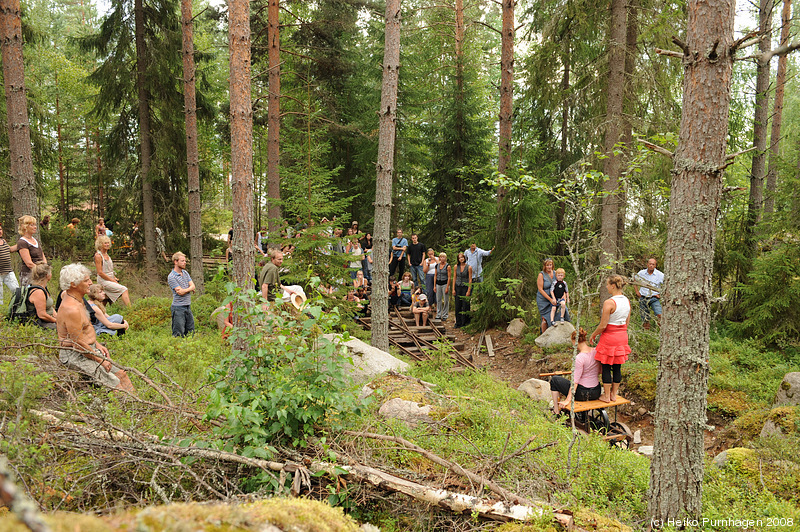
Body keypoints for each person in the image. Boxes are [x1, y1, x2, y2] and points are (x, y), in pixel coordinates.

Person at [56, 263, 135, 392]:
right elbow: (79, 344)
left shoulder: (78, 300)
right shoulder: (71, 309)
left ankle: (136, 404)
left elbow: (85, 331)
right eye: (86, 280)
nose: (90, 283)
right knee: (114, 383)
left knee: (121, 374)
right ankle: (123, 409)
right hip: (76, 355)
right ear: (73, 284)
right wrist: (100, 360)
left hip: (89, 349)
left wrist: (97, 345)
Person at [590, 275, 631, 403]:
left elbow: (603, 325)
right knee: (617, 366)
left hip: (609, 336)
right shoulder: (626, 301)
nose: (606, 287)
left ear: (613, 286)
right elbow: (627, 322)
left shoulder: (609, 302)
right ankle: (614, 394)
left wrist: (593, 334)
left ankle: (607, 396)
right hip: (622, 336)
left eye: (607, 284)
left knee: (606, 366)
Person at [549, 328, 601, 415]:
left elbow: (575, 381)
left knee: (554, 380)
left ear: (574, 341)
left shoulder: (579, 358)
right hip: (596, 391)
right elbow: (600, 370)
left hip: (582, 393)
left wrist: (568, 399)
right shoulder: (596, 351)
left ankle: (556, 411)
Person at [93, 235, 131, 307]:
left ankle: (97, 315)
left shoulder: (106, 255)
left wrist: (114, 277)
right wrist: (112, 280)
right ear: (100, 244)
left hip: (110, 278)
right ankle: (130, 310)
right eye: (105, 243)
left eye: (108, 243)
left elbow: (109, 269)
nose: (107, 245)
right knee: (124, 289)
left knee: (104, 300)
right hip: (103, 280)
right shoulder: (98, 256)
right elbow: (100, 272)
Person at [537, 258, 570, 333]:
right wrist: (550, 299)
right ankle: (543, 336)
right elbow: (540, 289)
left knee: (560, 311)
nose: (549, 267)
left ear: (552, 265)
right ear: (545, 266)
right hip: (543, 299)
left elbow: (562, 287)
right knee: (544, 318)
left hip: (555, 297)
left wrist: (564, 297)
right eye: (547, 265)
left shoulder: (556, 273)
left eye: (550, 265)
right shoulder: (541, 275)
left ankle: (558, 333)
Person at [168, 252, 196, 337]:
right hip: (178, 308)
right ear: (176, 262)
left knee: (191, 332)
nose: (185, 263)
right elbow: (180, 292)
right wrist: (189, 289)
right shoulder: (172, 276)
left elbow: (193, 285)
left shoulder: (185, 273)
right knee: (178, 333)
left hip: (188, 306)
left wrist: (186, 289)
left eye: (185, 261)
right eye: (182, 261)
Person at [16, 215, 47, 286]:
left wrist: (45, 268)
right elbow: (29, 263)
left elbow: (42, 255)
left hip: (40, 275)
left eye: (35, 225)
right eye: (32, 225)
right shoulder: (22, 242)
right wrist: (40, 271)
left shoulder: (35, 240)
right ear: (25, 227)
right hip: (29, 275)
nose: (35, 227)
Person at [635, 257, 664, 330]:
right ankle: (646, 333)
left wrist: (660, 294)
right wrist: (637, 292)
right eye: (650, 264)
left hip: (654, 298)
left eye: (653, 264)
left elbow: (667, 285)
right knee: (645, 317)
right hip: (643, 297)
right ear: (647, 264)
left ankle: (661, 331)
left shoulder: (660, 275)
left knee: (660, 314)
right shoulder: (641, 273)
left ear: (655, 266)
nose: (651, 265)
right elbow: (634, 280)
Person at [26, 263, 57, 329]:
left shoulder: (43, 288)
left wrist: (58, 317)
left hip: (49, 319)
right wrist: (57, 321)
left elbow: (50, 308)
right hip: (41, 322)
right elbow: (42, 315)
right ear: (47, 275)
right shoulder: (38, 292)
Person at [0, 223, 19, 307]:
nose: (0, 231)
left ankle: (16, 307)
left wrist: (22, 243)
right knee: (0, 296)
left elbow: (10, 249)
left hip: (8, 271)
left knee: (16, 290)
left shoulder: (3, 241)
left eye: (0, 229)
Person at [452, 252, 473, 328]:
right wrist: (453, 289)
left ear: (464, 258)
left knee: (465, 305)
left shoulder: (469, 267)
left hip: (465, 287)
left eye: (462, 257)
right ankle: (458, 323)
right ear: (458, 259)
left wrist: (469, 290)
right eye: (459, 258)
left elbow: (470, 279)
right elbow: (454, 277)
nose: (461, 259)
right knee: (458, 305)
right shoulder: (455, 267)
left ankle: (465, 322)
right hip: (458, 287)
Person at [434, 252, 451, 321]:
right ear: (439, 258)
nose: (442, 258)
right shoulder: (437, 265)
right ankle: (438, 314)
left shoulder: (448, 266)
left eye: (443, 257)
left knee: (446, 300)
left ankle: (445, 315)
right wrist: (434, 286)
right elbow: (435, 275)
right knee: (438, 299)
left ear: (445, 258)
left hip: (445, 284)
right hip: (438, 283)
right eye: (441, 257)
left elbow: (449, 277)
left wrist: (447, 287)